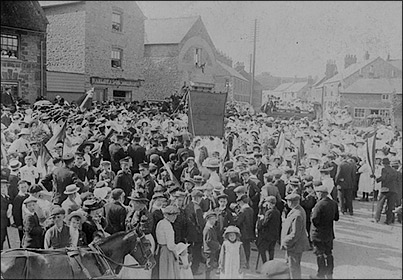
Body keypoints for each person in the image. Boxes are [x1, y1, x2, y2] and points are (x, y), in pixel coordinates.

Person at [310, 184, 339, 279]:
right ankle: (329, 272)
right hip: (329, 233)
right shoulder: (334, 203)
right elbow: (336, 218)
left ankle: (320, 274)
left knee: (319, 254)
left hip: (318, 234)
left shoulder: (319, 204)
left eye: (317, 192)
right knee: (329, 253)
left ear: (321, 193)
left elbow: (314, 219)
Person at [280, 193, 310, 279]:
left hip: (294, 246)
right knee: (291, 267)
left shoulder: (297, 215)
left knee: (293, 268)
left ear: (291, 202)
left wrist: (285, 241)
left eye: (288, 201)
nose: (287, 203)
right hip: (295, 245)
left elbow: (295, 234)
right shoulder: (298, 210)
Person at [155, 205, 181, 279]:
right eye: (174, 215)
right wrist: (178, 249)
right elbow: (170, 245)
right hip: (167, 251)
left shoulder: (160, 223)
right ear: (168, 216)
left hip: (160, 249)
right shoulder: (168, 226)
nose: (175, 218)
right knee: (168, 273)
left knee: (162, 271)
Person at [372, 157, 400, 224]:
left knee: (380, 204)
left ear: (383, 163)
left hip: (385, 188)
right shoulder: (395, 171)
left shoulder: (384, 169)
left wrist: (376, 179)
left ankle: (377, 218)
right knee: (391, 205)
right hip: (394, 190)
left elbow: (383, 177)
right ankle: (389, 220)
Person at [184, 189, 205, 275]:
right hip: (197, 234)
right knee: (196, 253)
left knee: (190, 252)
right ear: (197, 198)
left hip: (189, 233)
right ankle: (194, 270)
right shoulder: (198, 208)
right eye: (200, 198)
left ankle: (189, 269)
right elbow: (200, 223)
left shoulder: (188, 206)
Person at [256, 195, 281, 262]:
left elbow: (264, 223)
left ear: (270, 203)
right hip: (274, 234)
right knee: (271, 250)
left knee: (261, 248)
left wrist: (261, 219)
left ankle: (265, 263)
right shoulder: (277, 211)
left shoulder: (269, 212)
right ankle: (270, 264)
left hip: (267, 235)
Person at [234, 194, 255, 269]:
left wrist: (235, 216)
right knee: (247, 248)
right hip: (249, 232)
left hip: (243, 232)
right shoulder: (251, 210)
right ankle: (247, 262)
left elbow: (238, 222)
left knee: (242, 248)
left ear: (241, 202)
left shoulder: (242, 211)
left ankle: (243, 263)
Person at [203, 210, 220, 279]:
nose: (213, 221)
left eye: (214, 219)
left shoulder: (211, 227)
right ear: (207, 220)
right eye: (211, 219)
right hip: (209, 250)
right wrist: (217, 245)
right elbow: (209, 241)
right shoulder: (208, 229)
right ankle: (207, 277)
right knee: (209, 265)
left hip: (211, 250)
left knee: (211, 264)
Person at [12, 180, 30, 247]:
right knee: (22, 238)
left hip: (28, 220)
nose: (24, 189)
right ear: (18, 188)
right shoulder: (18, 198)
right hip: (22, 221)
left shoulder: (28, 195)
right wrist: (19, 224)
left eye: (25, 187)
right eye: (22, 187)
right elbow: (16, 212)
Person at [1, 179, 13, 250]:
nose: (3, 189)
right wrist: (6, 212)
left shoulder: (6, 197)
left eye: (5, 187)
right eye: (1, 187)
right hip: (1, 222)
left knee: (3, 238)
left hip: (4, 222)